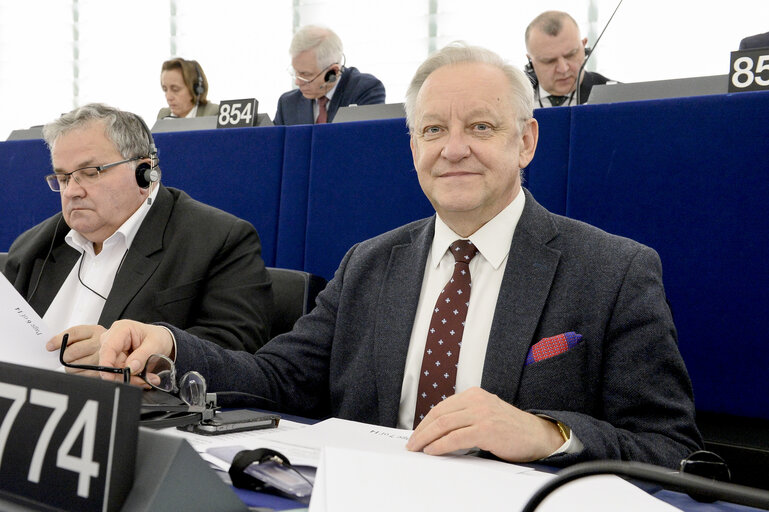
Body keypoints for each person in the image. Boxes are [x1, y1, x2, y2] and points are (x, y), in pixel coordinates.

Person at [100, 43, 702, 468]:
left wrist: (549, 433)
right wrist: (175, 347)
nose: (454, 148)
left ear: (527, 141)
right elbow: (280, 380)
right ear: (412, 144)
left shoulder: (614, 272)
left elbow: (672, 450)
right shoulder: (369, 263)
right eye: (433, 130)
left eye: (482, 127)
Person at [3, 103, 273, 374]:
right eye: (63, 178)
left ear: (144, 172)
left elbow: (236, 351)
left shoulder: (217, 240)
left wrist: (128, 355)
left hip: (129, 410)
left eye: (90, 172)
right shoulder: (34, 246)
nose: (72, 191)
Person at [274, 25, 386, 125]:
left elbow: (366, 143)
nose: (297, 82)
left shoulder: (365, 90)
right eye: (296, 72)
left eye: (305, 74)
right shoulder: (287, 104)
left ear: (334, 72)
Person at [525, 11, 613, 107]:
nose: (563, 69)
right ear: (531, 61)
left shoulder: (617, 96)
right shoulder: (511, 98)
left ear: (584, 47)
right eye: (549, 61)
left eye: (571, 55)